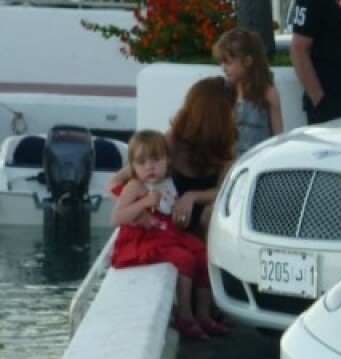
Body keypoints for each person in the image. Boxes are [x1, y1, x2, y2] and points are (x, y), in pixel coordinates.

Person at [110, 131, 228, 340]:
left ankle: (204, 314)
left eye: (156, 160)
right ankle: (185, 315)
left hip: (167, 232)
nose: (150, 167)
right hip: (144, 238)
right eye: (142, 162)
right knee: (185, 259)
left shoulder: (168, 182)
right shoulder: (136, 186)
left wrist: (176, 218)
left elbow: (167, 209)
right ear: (133, 166)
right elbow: (117, 217)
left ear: (168, 161)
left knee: (202, 253)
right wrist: (143, 204)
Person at [166, 76, 238, 241]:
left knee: (211, 213)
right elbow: (123, 179)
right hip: (173, 216)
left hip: (202, 218)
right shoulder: (173, 140)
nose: (235, 113)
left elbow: (225, 190)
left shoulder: (227, 142)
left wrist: (192, 196)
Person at [215, 27, 285, 157]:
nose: (223, 68)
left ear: (248, 61)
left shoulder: (268, 93)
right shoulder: (227, 93)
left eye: (228, 63)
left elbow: (278, 136)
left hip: (261, 159)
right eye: (222, 62)